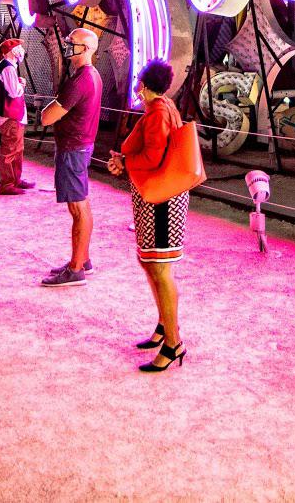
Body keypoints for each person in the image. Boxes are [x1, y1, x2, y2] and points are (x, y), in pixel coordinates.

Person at [108, 60, 190, 372]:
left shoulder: (157, 112)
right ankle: (164, 328)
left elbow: (154, 156)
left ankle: (173, 343)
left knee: (159, 268)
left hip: (161, 202)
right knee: (151, 263)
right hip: (159, 198)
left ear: (143, 84)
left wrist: (124, 164)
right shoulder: (163, 106)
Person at [39, 27, 102, 287]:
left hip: (73, 148)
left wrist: (47, 110)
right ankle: (81, 258)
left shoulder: (81, 79)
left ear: (86, 49)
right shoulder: (91, 75)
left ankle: (76, 268)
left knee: (77, 207)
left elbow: (48, 115)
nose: (68, 46)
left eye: (72, 43)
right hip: (79, 145)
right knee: (81, 204)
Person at [0, 40, 35, 195]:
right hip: (9, 116)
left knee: (17, 148)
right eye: (19, 48)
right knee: (10, 150)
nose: (21, 50)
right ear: (12, 51)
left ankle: (15, 179)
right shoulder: (8, 68)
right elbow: (14, 92)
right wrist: (21, 84)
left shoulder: (4, 66)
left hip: (12, 115)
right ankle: (8, 183)